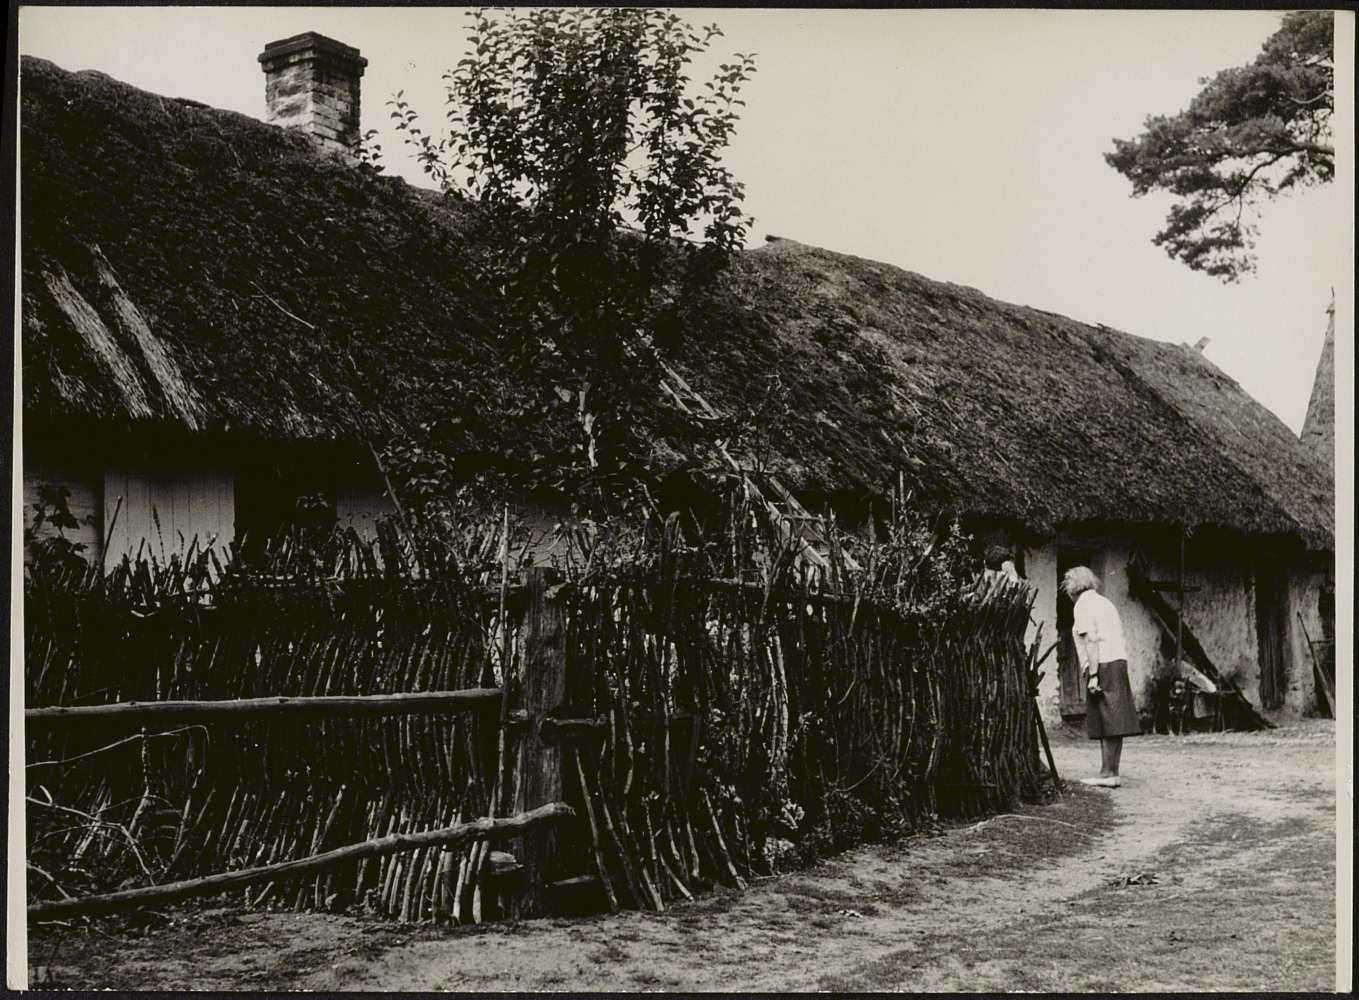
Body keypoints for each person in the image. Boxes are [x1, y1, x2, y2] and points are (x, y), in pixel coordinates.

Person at [1062, 566, 1139, 787]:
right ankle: (1112, 771)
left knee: (1106, 719)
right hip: (1118, 661)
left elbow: (1091, 640)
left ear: (1072, 587)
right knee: (1115, 718)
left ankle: (1106, 774)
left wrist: (1094, 674)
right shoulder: (1105, 603)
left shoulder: (1082, 605)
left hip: (1102, 664)